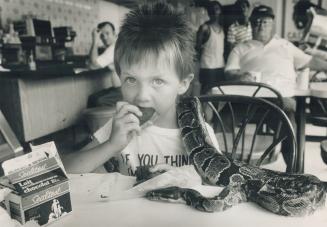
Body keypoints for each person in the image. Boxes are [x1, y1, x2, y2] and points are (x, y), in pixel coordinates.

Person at [63, 2, 220, 175]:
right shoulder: (119, 127)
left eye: (158, 81)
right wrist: (111, 146)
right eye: (131, 80)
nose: (142, 96)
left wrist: (188, 179)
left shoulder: (203, 136)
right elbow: (63, 172)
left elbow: (216, 190)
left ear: (182, 83)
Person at [224, 5, 327, 169]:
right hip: (247, 100)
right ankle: (222, 165)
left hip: (280, 101)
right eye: (257, 21)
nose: (261, 25)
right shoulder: (240, 48)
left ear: (272, 24)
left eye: (265, 22)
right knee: (223, 118)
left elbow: (311, 61)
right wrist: (240, 76)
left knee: (290, 125)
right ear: (251, 23)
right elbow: (229, 73)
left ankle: (293, 173)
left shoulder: (285, 46)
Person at [87, 21, 122, 107]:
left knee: (98, 101)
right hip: (122, 89)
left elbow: (93, 65)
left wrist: (95, 41)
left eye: (107, 33)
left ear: (114, 33)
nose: (104, 37)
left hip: (124, 90)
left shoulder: (114, 48)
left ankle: (109, 120)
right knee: (93, 98)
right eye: (102, 35)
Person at [195, 1, 225, 94]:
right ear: (208, 12)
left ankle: (215, 109)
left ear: (220, 11)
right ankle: (200, 109)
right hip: (208, 67)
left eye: (216, 9)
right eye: (211, 9)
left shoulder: (221, 28)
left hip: (220, 66)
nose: (214, 11)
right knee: (205, 94)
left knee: (217, 94)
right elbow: (197, 48)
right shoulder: (204, 28)